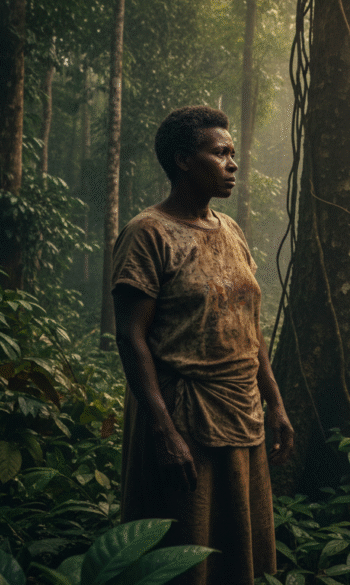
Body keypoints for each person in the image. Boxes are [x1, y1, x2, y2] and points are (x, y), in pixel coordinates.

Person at [111, 105, 294, 585]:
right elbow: (131, 337)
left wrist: (274, 401)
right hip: (182, 413)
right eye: (220, 153)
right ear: (183, 161)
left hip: (242, 410)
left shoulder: (230, 230)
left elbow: (249, 327)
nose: (233, 164)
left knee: (238, 538)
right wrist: (163, 430)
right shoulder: (147, 233)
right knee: (182, 543)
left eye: (233, 153)